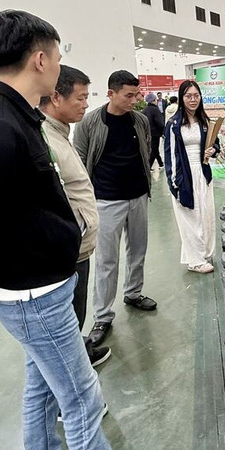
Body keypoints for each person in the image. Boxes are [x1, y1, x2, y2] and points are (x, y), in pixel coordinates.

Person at [0, 9, 179, 450]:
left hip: (42, 286)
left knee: (41, 388)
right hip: (33, 295)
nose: (59, 65)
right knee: (81, 399)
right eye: (56, 55)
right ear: (40, 58)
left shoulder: (18, 117)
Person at [74, 70, 157, 347]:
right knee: (107, 260)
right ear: (111, 93)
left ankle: (133, 292)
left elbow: (145, 151)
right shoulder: (90, 123)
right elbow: (80, 161)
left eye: (137, 94)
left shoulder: (140, 121)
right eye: (128, 95)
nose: (135, 100)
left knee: (138, 249)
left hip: (138, 196)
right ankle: (103, 315)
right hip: (106, 200)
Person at [39, 65, 109, 367]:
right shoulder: (44, 140)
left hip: (78, 248)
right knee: (68, 319)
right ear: (56, 97)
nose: (85, 104)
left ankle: (78, 350)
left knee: (75, 316)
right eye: (80, 98)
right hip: (67, 251)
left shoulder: (60, 133)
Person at [164, 81, 219, 274]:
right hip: (184, 176)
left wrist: (212, 151)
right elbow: (170, 156)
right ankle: (195, 261)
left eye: (196, 95)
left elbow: (215, 144)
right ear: (181, 98)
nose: (193, 99)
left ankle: (202, 253)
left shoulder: (204, 121)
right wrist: (175, 184)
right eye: (188, 96)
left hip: (202, 173)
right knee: (189, 217)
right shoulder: (173, 124)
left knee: (205, 216)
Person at [142, 92, 165, 169]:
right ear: (153, 100)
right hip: (155, 133)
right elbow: (160, 123)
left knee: (154, 149)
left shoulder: (144, 110)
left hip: (147, 133)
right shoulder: (155, 110)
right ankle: (148, 166)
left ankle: (161, 163)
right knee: (154, 149)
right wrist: (162, 132)